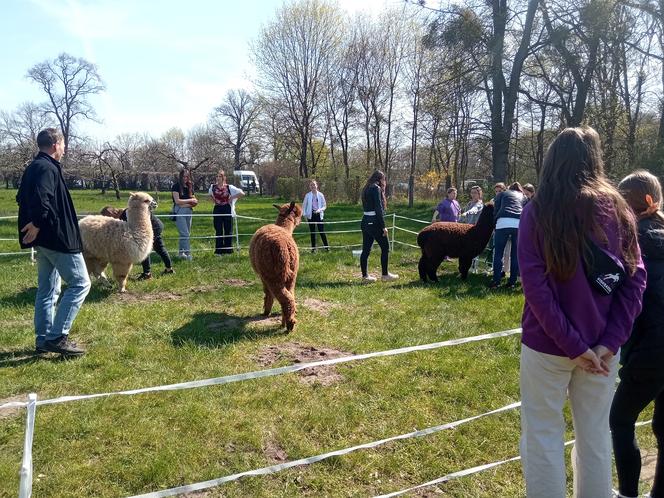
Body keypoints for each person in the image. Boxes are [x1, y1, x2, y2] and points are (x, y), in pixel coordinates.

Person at [518, 127, 646, 498]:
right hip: (600, 348)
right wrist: (608, 342)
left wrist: (582, 345)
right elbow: (636, 281)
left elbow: (536, 290)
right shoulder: (619, 210)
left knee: (542, 434)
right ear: (595, 159)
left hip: (548, 345)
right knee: (595, 435)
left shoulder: (538, 211)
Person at [610, 170, 664, 498]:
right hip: (655, 344)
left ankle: (628, 494)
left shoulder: (631, 242)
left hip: (651, 347)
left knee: (621, 419)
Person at [16, 128, 90, 356]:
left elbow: (21, 197)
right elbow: (42, 199)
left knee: (48, 289)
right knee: (80, 283)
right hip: (57, 239)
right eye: (63, 144)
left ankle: (43, 339)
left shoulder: (34, 167)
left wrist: (35, 225)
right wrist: (37, 223)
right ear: (56, 145)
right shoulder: (46, 168)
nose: (65, 148)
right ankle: (58, 337)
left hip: (45, 241)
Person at [360, 170, 398, 283]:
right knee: (385, 247)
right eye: (384, 179)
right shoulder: (376, 188)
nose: (384, 182)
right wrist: (383, 227)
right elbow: (378, 209)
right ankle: (385, 275)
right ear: (380, 179)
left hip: (365, 221)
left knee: (365, 250)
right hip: (374, 223)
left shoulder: (366, 188)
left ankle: (365, 276)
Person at [118, 207, 173, 279]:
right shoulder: (132, 209)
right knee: (160, 248)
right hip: (157, 226)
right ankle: (169, 269)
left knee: (144, 249)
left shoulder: (126, 214)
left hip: (151, 228)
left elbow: (125, 228)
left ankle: (147, 274)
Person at [489, 182, 525, 288]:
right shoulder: (523, 196)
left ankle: (496, 281)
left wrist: (495, 222)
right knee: (515, 255)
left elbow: (496, 209)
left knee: (498, 254)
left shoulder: (502, 194)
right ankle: (512, 282)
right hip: (518, 224)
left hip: (503, 222)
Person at [208, 170, 244, 255]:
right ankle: (219, 251)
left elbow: (242, 193)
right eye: (216, 176)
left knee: (228, 230)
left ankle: (228, 250)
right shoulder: (212, 187)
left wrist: (232, 198)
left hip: (227, 208)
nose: (218, 178)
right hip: (217, 209)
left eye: (219, 176)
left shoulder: (229, 187)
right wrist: (213, 200)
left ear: (223, 178)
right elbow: (210, 194)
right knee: (218, 230)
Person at [171, 168, 198, 260]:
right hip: (179, 211)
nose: (185, 178)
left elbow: (195, 201)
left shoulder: (190, 186)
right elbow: (177, 201)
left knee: (186, 234)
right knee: (185, 233)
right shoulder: (176, 186)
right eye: (184, 176)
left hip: (189, 211)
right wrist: (190, 201)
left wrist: (187, 203)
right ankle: (188, 254)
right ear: (180, 176)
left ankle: (181, 253)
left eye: (187, 176)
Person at [302, 180, 329, 252]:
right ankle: (313, 249)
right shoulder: (307, 195)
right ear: (309, 187)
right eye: (311, 185)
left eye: (314, 185)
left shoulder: (320, 195)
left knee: (321, 231)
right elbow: (304, 206)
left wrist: (320, 210)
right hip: (310, 216)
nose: (313, 186)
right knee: (312, 232)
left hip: (319, 215)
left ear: (317, 185)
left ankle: (327, 248)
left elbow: (324, 206)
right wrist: (304, 215)